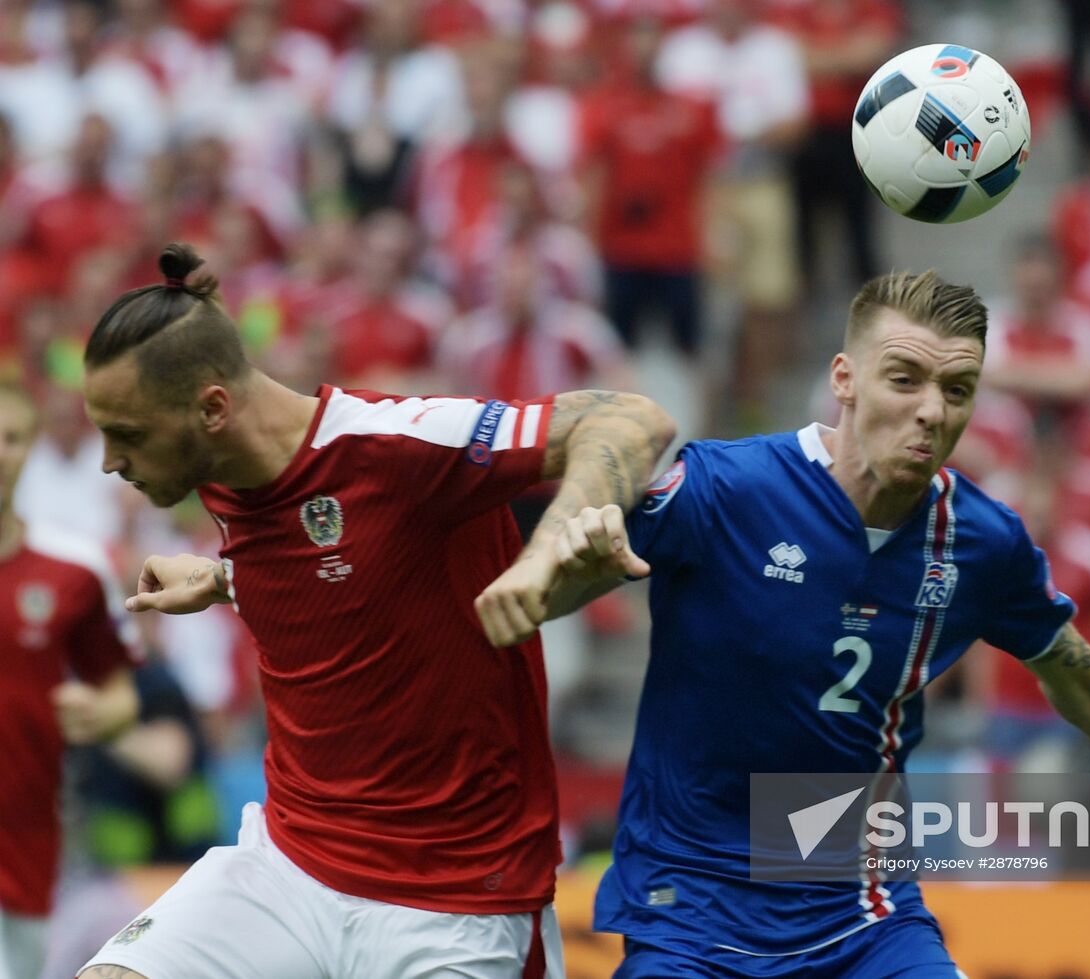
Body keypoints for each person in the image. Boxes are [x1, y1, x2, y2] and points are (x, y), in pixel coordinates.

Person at [479, 271, 1090, 977]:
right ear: (844, 378)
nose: (932, 411)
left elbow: (1080, 677)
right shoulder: (726, 488)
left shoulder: (982, 540)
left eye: (958, 390)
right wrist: (562, 563)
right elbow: (543, 597)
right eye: (904, 378)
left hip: (861, 912)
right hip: (689, 905)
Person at [75, 242, 675, 979]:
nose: (110, 459)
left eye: (126, 435)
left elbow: (631, 419)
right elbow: (335, 550)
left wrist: (545, 550)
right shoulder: (222, 456)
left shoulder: (403, 444)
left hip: (455, 901)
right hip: (289, 866)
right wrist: (230, 576)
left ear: (213, 409)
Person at [0, 381, 140, 979]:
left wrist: (101, 713)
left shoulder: (74, 571)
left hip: (27, 841)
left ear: (31, 448)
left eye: (10, 437)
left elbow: (119, 695)